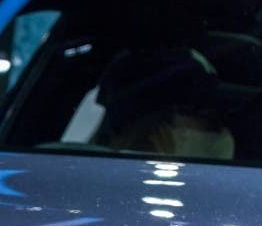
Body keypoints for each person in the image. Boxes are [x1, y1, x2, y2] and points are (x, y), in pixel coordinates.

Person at [95, 46, 242, 160]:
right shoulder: (97, 152)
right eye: (188, 111)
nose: (191, 128)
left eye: (204, 112)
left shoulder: (217, 142)